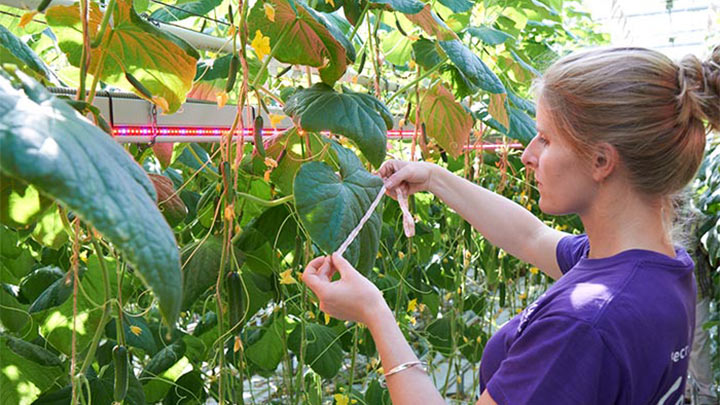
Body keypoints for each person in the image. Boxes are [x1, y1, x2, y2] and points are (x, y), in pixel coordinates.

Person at [302, 46, 720, 405]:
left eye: (546, 138)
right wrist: (434, 178)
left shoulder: (582, 327)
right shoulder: (658, 271)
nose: (528, 153)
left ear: (600, 161)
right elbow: (531, 236)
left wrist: (374, 313)